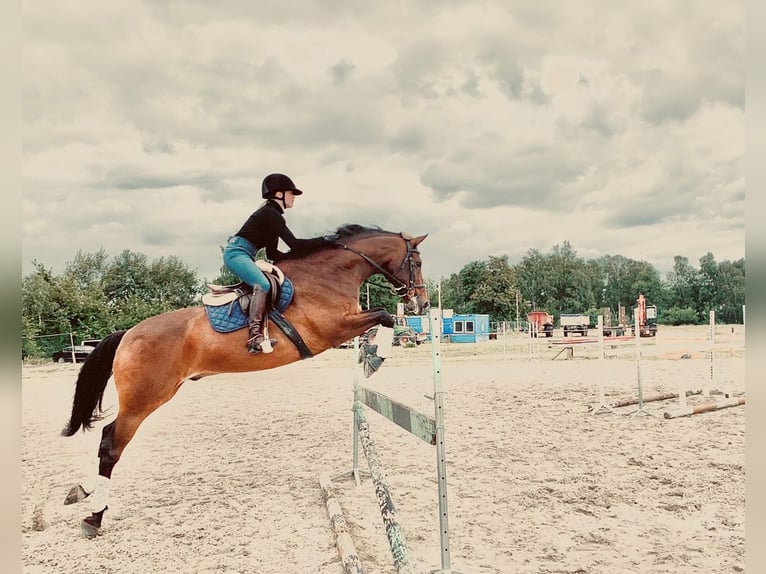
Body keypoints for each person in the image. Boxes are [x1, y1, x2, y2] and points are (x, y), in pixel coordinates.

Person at [223, 173, 330, 354]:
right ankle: (255, 337)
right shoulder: (269, 214)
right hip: (236, 253)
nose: (294, 197)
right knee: (263, 284)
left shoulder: (273, 216)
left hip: (245, 254)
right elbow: (295, 244)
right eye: (292, 193)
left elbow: (273, 253)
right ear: (279, 194)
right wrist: (324, 241)